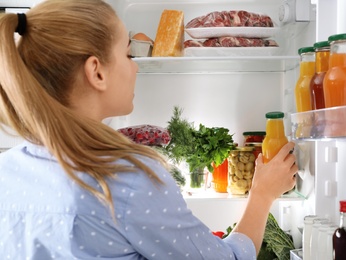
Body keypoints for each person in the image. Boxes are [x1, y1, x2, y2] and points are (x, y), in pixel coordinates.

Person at [0, 0, 298, 259]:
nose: (136, 67)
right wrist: (262, 194)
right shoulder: (127, 180)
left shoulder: (7, 170)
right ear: (97, 72)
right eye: (128, 55)